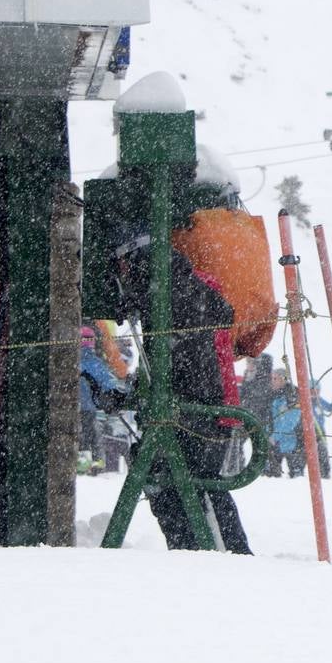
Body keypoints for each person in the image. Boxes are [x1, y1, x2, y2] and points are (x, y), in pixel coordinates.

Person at [109, 230, 252, 553]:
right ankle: (210, 551)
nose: (122, 276)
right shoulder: (184, 286)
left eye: (122, 267)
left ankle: (203, 552)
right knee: (193, 484)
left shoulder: (174, 292)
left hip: (197, 408)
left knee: (184, 483)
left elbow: (183, 360)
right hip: (204, 404)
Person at [76, 325, 126, 474]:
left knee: (83, 434)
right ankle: (95, 459)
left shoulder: (72, 363)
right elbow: (109, 382)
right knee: (91, 432)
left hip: (74, 407)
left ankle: (82, 459)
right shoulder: (96, 363)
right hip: (90, 408)